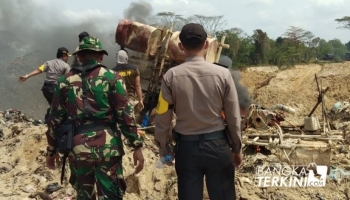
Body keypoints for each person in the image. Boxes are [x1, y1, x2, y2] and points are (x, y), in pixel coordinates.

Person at [45, 36, 144, 199]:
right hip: (108, 148)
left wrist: (51, 151)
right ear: (100, 56)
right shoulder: (113, 77)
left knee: (84, 195)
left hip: (78, 149)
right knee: (111, 195)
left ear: (79, 56)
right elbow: (125, 116)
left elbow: (54, 120)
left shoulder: (63, 82)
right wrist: (137, 147)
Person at [154, 23, 243, 200]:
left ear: (180, 46)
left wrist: (164, 149)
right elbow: (233, 116)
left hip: (186, 151)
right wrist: (236, 147)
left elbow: (162, 115)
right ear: (207, 45)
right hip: (218, 147)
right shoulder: (223, 75)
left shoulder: (170, 76)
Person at [112, 49, 144, 120]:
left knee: (118, 120)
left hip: (118, 99)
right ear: (126, 57)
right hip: (130, 98)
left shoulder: (113, 71)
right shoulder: (134, 69)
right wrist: (140, 100)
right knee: (129, 119)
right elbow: (138, 85)